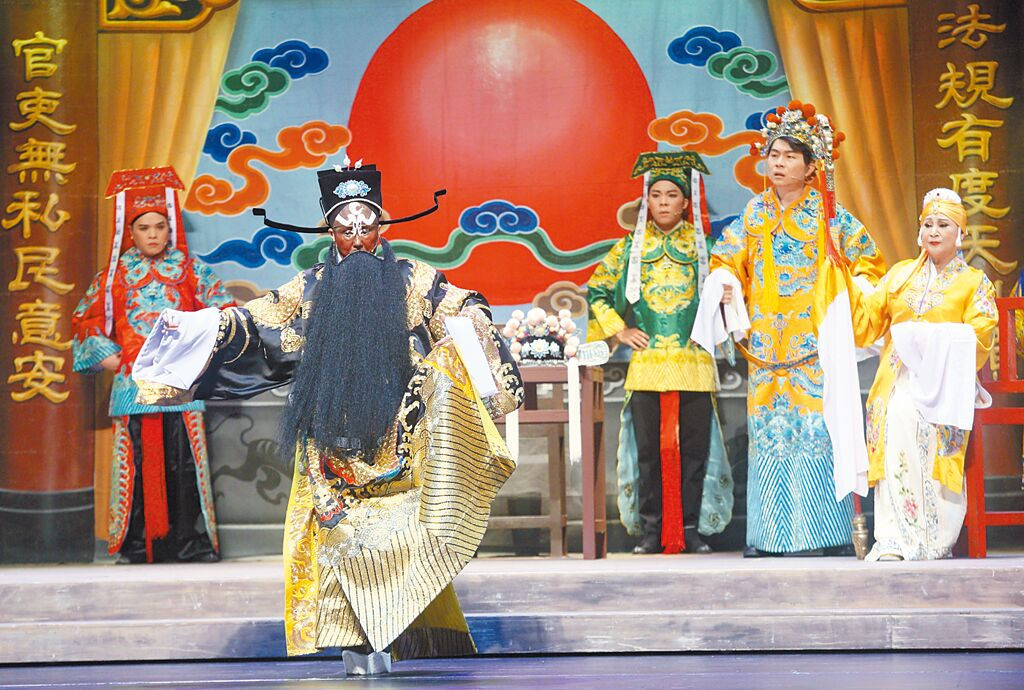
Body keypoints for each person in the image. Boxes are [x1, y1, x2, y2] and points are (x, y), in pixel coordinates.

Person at [132, 162, 524, 673]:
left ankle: (389, 634)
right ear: (329, 231)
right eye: (345, 228)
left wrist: (469, 320)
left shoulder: (415, 280)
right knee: (335, 541)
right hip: (330, 439)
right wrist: (210, 326)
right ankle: (354, 644)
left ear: (381, 226)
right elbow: (257, 321)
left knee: (401, 538)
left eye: (367, 227)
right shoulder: (310, 287)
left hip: (401, 433)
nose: (358, 239)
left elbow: (464, 305)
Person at [711, 101, 886, 556]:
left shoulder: (830, 216)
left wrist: (850, 293)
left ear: (811, 167)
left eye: (790, 156)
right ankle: (768, 537)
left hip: (814, 342)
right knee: (769, 433)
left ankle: (825, 535)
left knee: (817, 431)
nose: (778, 163)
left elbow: (868, 264)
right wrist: (725, 282)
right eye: (773, 155)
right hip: (768, 346)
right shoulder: (754, 214)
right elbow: (726, 258)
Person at [72, 166, 235, 564]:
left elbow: (224, 312)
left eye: (159, 226)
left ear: (169, 228)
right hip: (133, 385)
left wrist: (198, 353)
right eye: (143, 227)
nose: (152, 235)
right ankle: (136, 544)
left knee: (183, 464)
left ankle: (190, 544)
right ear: (130, 231)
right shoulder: (113, 277)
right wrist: (111, 358)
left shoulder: (191, 271)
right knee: (137, 464)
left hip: (181, 384)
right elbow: (84, 320)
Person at [829, 188, 996, 560]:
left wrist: (931, 340)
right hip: (898, 376)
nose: (934, 231)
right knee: (895, 415)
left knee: (918, 419)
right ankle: (892, 537)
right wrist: (843, 281)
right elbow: (867, 323)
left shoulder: (974, 282)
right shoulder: (899, 276)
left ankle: (933, 538)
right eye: (928, 224)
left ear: (961, 234)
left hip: (946, 382)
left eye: (944, 225)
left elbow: (982, 332)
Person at [587, 151, 732, 555]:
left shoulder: (707, 248)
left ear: (686, 202)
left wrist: (724, 309)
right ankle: (651, 530)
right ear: (646, 201)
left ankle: (692, 528)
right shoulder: (629, 249)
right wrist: (620, 330)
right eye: (656, 195)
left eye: (672, 195)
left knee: (695, 451)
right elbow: (597, 291)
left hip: (694, 361)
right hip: (647, 364)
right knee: (648, 451)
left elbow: (733, 293)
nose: (664, 202)